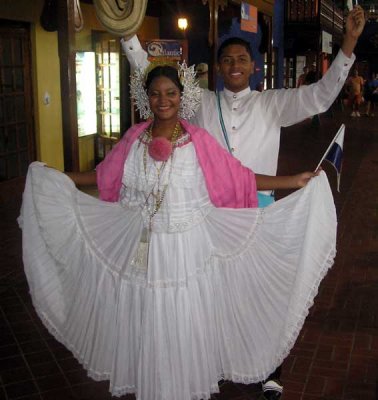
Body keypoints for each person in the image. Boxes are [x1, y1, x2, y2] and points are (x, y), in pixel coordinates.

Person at [20, 65, 336, 400]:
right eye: (155, 93)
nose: (163, 100)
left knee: (181, 326)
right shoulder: (133, 140)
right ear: (146, 97)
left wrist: (292, 181)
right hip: (141, 252)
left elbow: (240, 179)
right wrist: (55, 176)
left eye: (171, 93)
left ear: (182, 97)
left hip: (186, 253)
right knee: (146, 325)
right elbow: (101, 178)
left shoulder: (198, 141)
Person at [121, 7, 365, 398]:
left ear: (253, 67)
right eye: (226, 59)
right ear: (217, 67)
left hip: (259, 214)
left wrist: (349, 43)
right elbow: (151, 72)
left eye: (241, 59)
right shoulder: (197, 103)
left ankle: (270, 370)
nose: (234, 65)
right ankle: (218, 363)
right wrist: (126, 32)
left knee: (263, 295)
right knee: (215, 294)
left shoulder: (272, 104)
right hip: (213, 216)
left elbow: (320, 96)